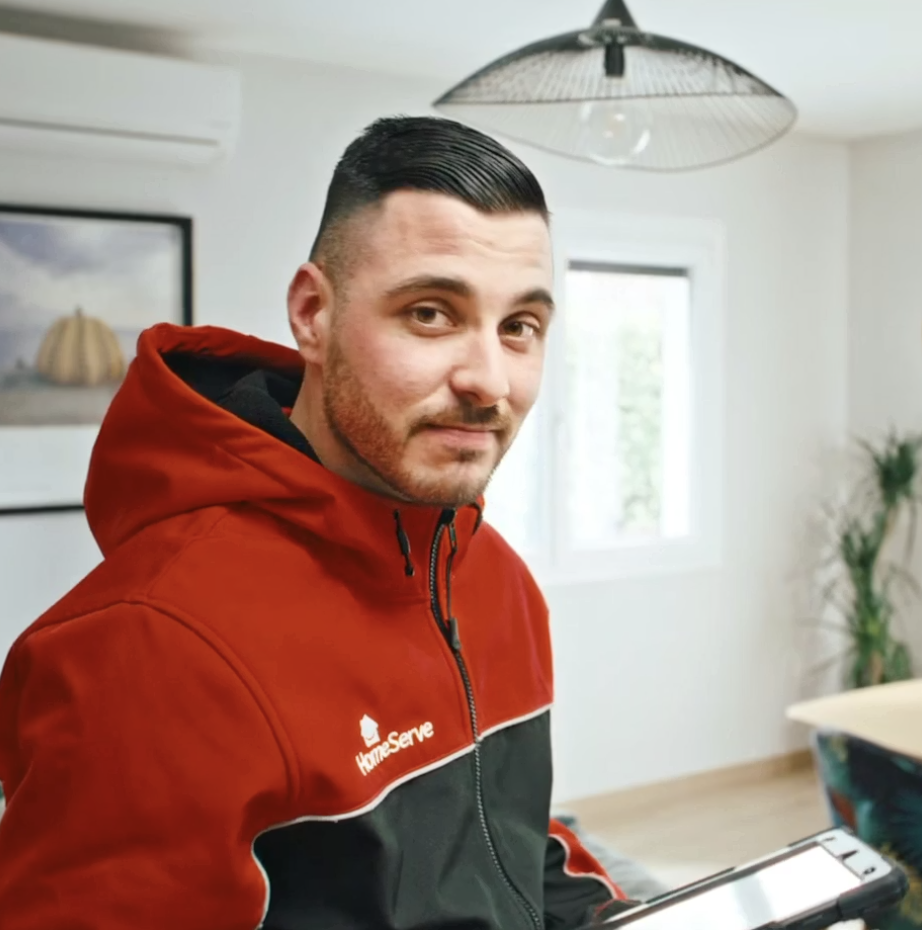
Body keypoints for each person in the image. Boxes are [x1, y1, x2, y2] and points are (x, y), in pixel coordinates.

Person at [0, 116, 636, 929]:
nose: (489, 381)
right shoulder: (147, 642)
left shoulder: (497, 578)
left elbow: (510, 851)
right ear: (312, 314)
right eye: (432, 313)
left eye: (520, 327)